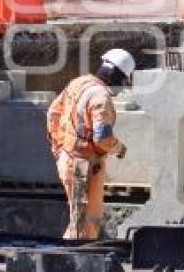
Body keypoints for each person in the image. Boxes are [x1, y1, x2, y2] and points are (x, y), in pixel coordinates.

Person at [46, 49, 134, 239]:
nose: (123, 88)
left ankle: (77, 257)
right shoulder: (101, 98)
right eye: (124, 81)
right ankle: (72, 261)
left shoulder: (79, 83)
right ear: (117, 75)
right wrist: (119, 148)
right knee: (83, 224)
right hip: (83, 167)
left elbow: (53, 112)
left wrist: (59, 148)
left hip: (70, 160)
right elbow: (102, 138)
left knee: (83, 219)